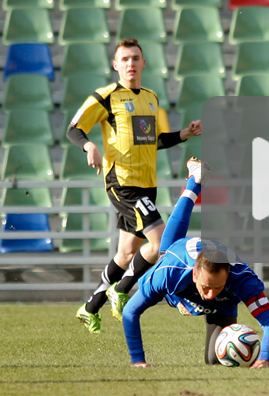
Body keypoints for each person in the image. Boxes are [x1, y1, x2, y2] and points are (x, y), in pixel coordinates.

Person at [69, 38, 202, 334]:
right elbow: (74, 128)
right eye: (124, 59)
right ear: (115, 65)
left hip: (147, 184)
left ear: (144, 63)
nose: (130, 63)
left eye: (135, 58)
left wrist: (184, 133)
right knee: (160, 242)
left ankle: (90, 307)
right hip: (123, 182)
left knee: (127, 253)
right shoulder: (106, 97)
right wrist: (89, 145)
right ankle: (124, 288)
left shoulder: (151, 98)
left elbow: (152, 140)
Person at [121, 157, 269, 368]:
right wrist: (138, 361)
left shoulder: (243, 280)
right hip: (178, 254)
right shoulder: (169, 272)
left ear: (228, 276)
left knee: (215, 361)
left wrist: (265, 358)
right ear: (195, 275)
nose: (211, 294)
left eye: (218, 287)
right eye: (207, 287)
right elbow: (130, 312)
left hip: (220, 302)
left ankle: (195, 181)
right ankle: (193, 183)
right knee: (164, 250)